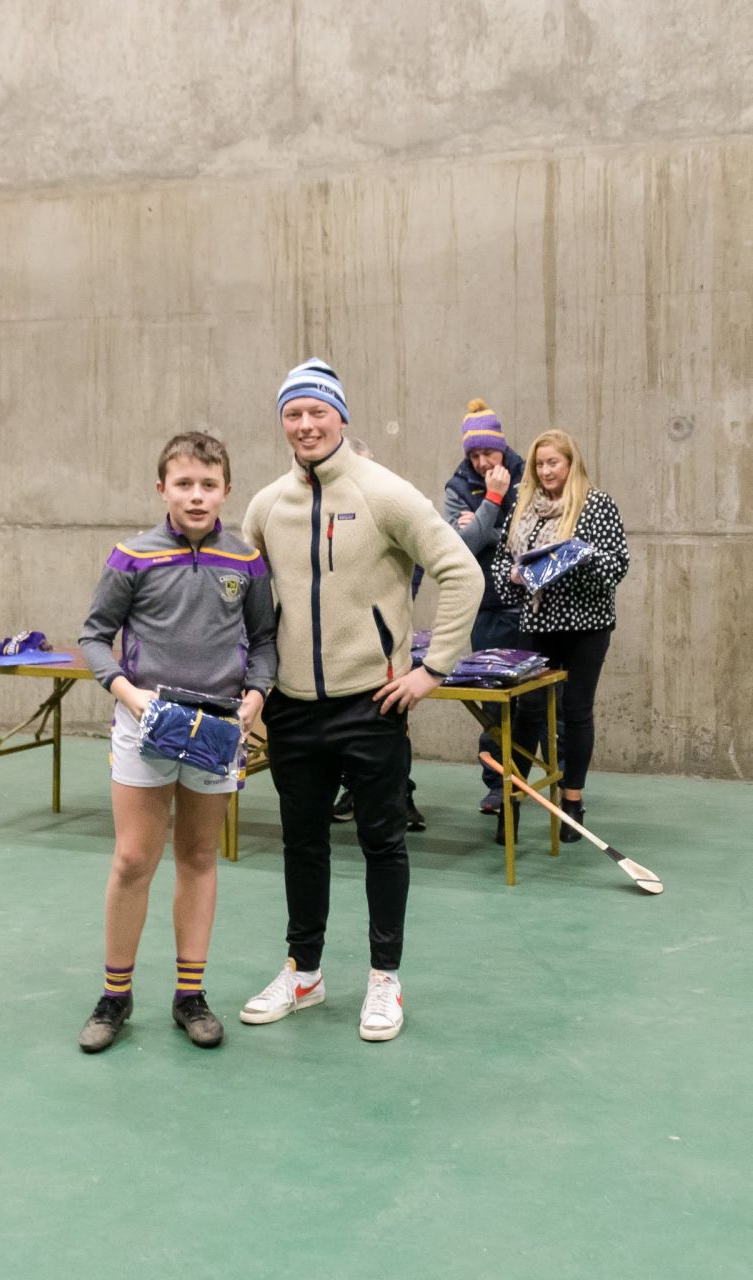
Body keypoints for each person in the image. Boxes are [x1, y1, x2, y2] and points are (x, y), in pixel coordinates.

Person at [240, 358, 483, 1042]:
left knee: (382, 844)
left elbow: (461, 572)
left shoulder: (385, 493)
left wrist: (431, 670)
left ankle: (384, 980)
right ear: (283, 422)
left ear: (341, 416)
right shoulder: (264, 506)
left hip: (370, 704)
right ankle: (305, 973)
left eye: (318, 411)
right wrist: (253, 686)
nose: (306, 424)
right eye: (294, 413)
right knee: (302, 845)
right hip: (292, 707)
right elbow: (247, 604)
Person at [76, 432, 277, 1053]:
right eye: (184, 484)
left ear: (227, 491)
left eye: (208, 485)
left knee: (197, 856)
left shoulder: (246, 561)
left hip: (218, 730)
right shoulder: (130, 555)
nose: (196, 496)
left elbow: (265, 640)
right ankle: (116, 996)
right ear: (161, 487)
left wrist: (256, 696)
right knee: (134, 858)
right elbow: (92, 636)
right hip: (146, 724)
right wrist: (127, 694)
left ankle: (190, 995)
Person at [491, 429, 628, 841]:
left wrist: (579, 555)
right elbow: (499, 561)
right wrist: (514, 575)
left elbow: (617, 566)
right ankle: (511, 802)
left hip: (586, 625)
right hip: (536, 623)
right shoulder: (520, 504)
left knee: (576, 711)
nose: (546, 470)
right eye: (540, 463)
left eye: (554, 462)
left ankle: (572, 801)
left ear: (571, 464)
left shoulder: (597, 504)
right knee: (528, 711)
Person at [330, 435, 426, 833]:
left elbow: (416, 568)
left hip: (382, 659)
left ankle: (400, 797)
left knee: (390, 730)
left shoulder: (392, 509)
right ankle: (352, 791)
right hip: (333, 661)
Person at [443, 398, 531, 815]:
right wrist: (493, 501)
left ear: (503, 447)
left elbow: (529, 542)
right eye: (474, 455)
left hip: (532, 605)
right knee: (494, 702)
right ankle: (498, 787)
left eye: (488, 453)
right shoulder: (457, 486)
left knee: (540, 700)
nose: (481, 462)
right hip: (487, 607)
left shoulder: (531, 476)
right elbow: (460, 546)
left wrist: (484, 528)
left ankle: (549, 780)